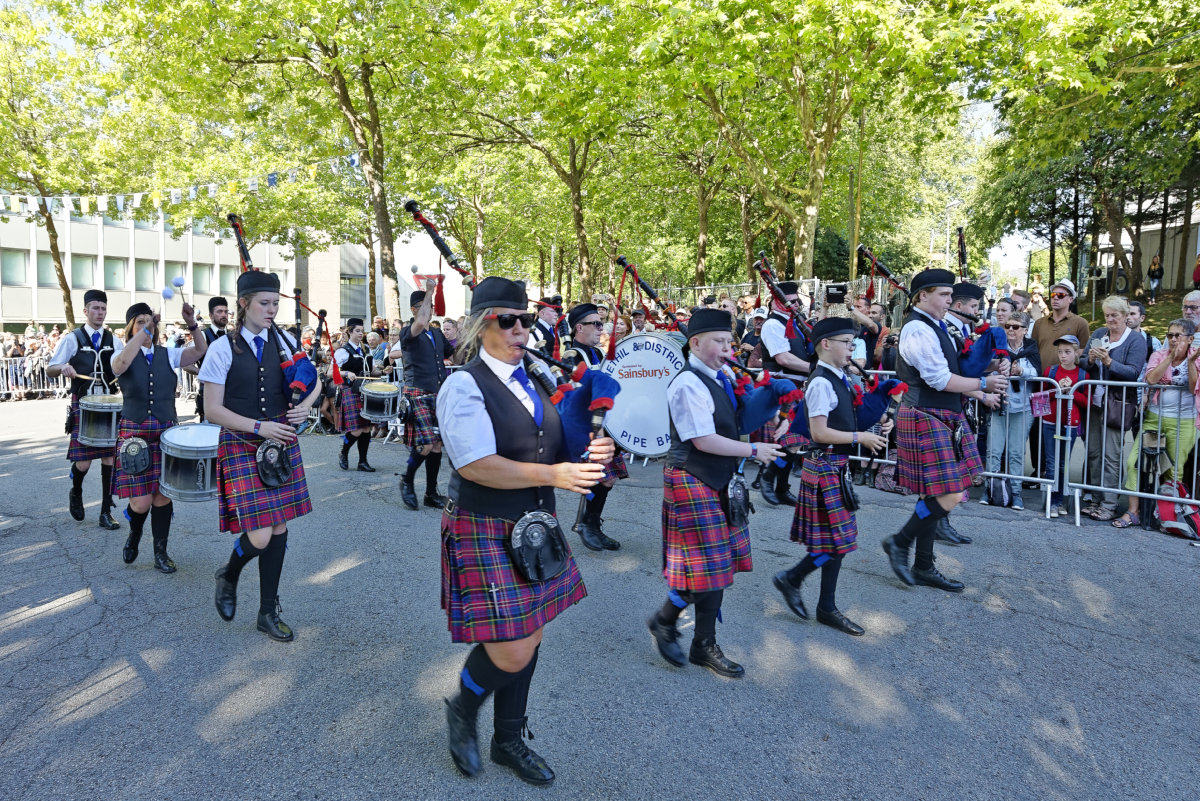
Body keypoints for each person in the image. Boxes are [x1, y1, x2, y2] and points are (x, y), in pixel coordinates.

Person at [437, 277, 613, 786]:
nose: (520, 330)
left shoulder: (535, 377)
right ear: (480, 326)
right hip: (484, 521)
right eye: (507, 320)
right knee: (512, 645)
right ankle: (464, 707)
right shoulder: (463, 385)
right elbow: (475, 464)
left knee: (530, 633)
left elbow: (554, 445)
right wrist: (555, 475)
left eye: (527, 321)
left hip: (536, 522)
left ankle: (507, 738)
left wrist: (590, 453)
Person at [646, 309, 784, 677]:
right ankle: (671, 624)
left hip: (718, 477)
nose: (727, 349)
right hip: (691, 477)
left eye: (729, 342)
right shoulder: (687, 384)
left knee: (716, 567)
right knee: (709, 568)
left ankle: (697, 641)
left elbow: (738, 419)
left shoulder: (723, 377)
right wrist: (753, 450)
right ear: (695, 343)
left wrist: (771, 403)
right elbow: (703, 440)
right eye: (719, 342)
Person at [200, 270, 321, 642]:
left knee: (279, 527)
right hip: (242, 441)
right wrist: (258, 427)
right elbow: (212, 410)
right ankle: (229, 573)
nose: (272, 310)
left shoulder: (285, 341)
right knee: (261, 534)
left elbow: (313, 378)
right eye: (264, 303)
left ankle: (267, 612)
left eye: (275, 303)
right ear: (243, 304)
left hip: (279, 441)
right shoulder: (223, 348)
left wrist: (307, 405)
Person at [882, 269, 1005, 593]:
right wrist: (983, 384)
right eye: (945, 295)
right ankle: (899, 542)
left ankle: (923, 565)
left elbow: (955, 371)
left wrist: (990, 370)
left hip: (941, 414)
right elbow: (939, 380)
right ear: (923, 296)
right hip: (924, 413)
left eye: (951, 296)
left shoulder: (937, 326)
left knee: (934, 494)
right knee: (950, 493)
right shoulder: (917, 330)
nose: (950, 301)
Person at [774, 318, 890, 637]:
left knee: (837, 540)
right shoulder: (821, 382)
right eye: (847, 343)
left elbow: (848, 416)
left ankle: (811, 594)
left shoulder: (840, 376)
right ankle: (805, 589)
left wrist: (880, 419)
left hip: (835, 465)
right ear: (826, 344)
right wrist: (860, 438)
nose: (852, 348)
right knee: (838, 541)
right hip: (824, 464)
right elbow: (819, 432)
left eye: (853, 343)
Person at [110, 301, 207, 572]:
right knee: (141, 503)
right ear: (130, 328)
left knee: (162, 497)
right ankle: (135, 534)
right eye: (139, 322)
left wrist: (192, 323)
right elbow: (121, 364)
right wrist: (144, 331)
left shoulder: (168, 354)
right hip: (134, 435)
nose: (146, 326)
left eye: (149, 321)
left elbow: (200, 350)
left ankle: (160, 553)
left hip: (166, 434)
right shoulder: (120, 353)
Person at [47, 289, 125, 530]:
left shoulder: (114, 340)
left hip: (109, 405)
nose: (100, 313)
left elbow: (123, 367)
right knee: (84, 463)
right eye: (95, 308)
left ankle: (105, 511)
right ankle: (76, 491)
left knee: (110, 458)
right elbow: (50, 368)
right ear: (85, 311)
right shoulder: (73, 338)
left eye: (103, 308)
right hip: (83, 403)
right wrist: (63, 368)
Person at [1113, 320, 1200, 528]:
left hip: (1184, 422)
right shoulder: (1159, 354)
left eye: (1178, 335)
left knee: (1173, 470)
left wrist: (1190, 362)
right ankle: (1133, 511)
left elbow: (1193, 387)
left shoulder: (1196, 357)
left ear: (1190, 339)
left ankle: (1167, 516)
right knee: (1134, 462)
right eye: (1170, 335)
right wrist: (1170, 357)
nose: (1173, 339)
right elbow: (1151, 379)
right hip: (1155, 418)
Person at [562, 302, 625, 551]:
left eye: (602, 324)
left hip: (606, 425)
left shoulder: (597, 353)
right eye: (596, 324)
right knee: (600, 479)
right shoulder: (572, 356)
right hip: (589, 427)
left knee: (606, 479)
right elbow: (576, 395)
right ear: (579, 327)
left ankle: (590, 525)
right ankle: (586, 525)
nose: (601, 329)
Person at [1080, 295, 1148, 521]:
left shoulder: (1135, 340)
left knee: (1111, 455)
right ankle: (1096, 499)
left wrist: (1109, 362)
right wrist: (1090, 359)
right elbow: (1083, 362)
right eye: (1107, 315)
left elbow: (1133, 372)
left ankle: (1109, 504)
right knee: (1094, 452)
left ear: (1126, 315)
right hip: (1096, 401)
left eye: (1114, 315)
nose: (1110, 319)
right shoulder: (1099, 333)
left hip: (1118, 404)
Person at [1029, 279, 1090, 492]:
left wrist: (1069, 373)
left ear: (1071, 299)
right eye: (1053, 295)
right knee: (1038, 427)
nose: (1055, 298)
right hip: (1042, 384)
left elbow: (1084, 351)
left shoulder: (1080, 323)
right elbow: (1033, 349)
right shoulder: (1039, 323)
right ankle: (1039, 470)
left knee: (1062, 427)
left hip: (1066, 386)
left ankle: (1058, 477)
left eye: (1061, 295)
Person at [400, 281, 453, 510]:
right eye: (424, 305)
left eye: (430, 305)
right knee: (426, 443)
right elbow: (421, 322)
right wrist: (431, 291)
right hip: (418, 392)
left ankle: (430, 493)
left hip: (438, 393)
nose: (429, 309)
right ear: (413, 309)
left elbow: (455, 354)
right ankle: (407, 479)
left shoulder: (437, 333)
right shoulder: (408, 332)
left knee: (438, 444)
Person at [981, 312, 1039, 510]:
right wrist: (996, 370)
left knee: (1016, 452)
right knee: (994, 451)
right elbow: (984, 369)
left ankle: (1015, 492)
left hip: (1022, 408)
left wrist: (1021, 371)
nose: (1011, 330)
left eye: (1015, 327)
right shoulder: (997, 348)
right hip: (999, 404)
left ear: (1025, 330)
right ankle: (990, 489)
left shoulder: (1031, 348)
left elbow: (1037, 373)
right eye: (1007, 326)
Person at [1042, 335, 1089, 518]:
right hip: (1050, 421)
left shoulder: (1083, 375)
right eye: (1060, 352)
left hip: (1070, 423)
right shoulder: (1051, 371)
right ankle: (1051, 502)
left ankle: (1060, 499)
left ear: (1076, 353)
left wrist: (1072, 391)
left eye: (1067, 352)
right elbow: (1042, 395)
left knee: (1063, 464)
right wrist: (1057, 390)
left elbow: (1087, 401)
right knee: (1051, 463)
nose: (1063, 355)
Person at [334, 318, 381, 471]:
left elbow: (372, 371)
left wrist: (383, 370)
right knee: (356, 430)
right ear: (350, 332)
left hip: (366, 391)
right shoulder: (343, 351)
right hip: (350, 390)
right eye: (357, 331)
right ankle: (344, 452)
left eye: (362, 331)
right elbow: (330, 372)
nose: (361, 334)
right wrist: (346, 373)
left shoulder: (366, 350)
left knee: (366, 429)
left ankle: (362, 462)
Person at [185, 296, 228, 421]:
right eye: (219, 312)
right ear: (211, 315)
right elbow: (186, 364)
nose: (224, 315)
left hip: (231, 395)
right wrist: (203, 373)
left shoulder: (233, 336)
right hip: (209, 395)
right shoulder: (203, 335)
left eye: (225, 311)